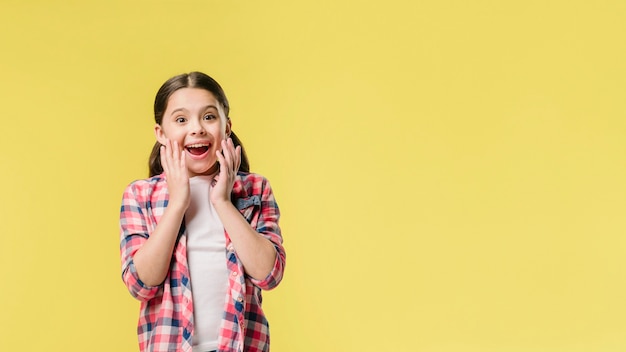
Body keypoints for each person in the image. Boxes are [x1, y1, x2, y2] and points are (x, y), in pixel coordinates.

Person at [119, 71, 286, 352]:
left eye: (209, 117)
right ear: (161, 133)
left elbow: (269, 275)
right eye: (181, 120)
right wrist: (177, 204)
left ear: (227, 125)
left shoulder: (255, 189)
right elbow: (141, 285)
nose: (197, 129)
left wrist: (222, 201)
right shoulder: (141, 195)